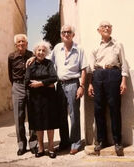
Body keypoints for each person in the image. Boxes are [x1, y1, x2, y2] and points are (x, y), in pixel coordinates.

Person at [88, 21, 129, 156]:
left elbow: (123, 64)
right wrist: (90, 83)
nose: (107, 28)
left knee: (114, 108)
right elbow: (91, 67)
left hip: (113, 74)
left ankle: (118, 142)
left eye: (109, 26)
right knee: (99, 109)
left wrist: (123, 81)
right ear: (98, 30)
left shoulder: (118, 45)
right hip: (98, 75)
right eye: (104, 26)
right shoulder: (95, 46)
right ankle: (101, 140)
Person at [50, 25, 88, 155]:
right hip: (60, 85)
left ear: (73, 34)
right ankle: (64, 142)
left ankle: (75, 143)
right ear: (61, 34)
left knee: (74, 115)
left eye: (69, 32)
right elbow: (48, 62)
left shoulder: (79, 49)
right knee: (61, 115)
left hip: (73, 84)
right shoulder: (57, 48)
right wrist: (33, 57)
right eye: (64, 32)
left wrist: (81, 86)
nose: (66, 34)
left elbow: (84, 69)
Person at [25, 41, 58, 159]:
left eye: (43, 50)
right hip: (35, 99)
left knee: (49, 123)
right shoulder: (30, 65)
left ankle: (51, 148)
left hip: (49, 98)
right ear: (35, 52)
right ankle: (40, 148)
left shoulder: (49, 63)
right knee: (38, 124)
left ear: (46, 52)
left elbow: (54, 77)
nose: (41, 52)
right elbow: (27, 81)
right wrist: (47, 83)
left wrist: (40, 83)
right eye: (39, 50)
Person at [8, 34, 37, 156]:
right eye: (19, 42)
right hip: (18, 86)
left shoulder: (32, 55)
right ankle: (21, 145)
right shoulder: (11, 56)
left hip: (31, 86)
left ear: (27, 43)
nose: (21, 43)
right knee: (18, 117)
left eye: (23, 41)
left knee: (33, 116)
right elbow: (10, 73)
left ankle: (34, 144)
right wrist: (16, 85)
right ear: (16, 44)